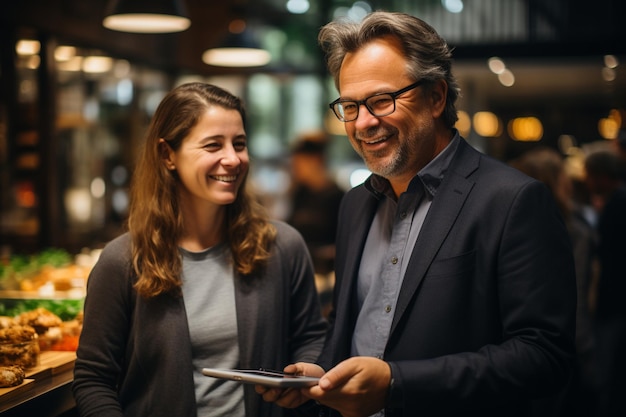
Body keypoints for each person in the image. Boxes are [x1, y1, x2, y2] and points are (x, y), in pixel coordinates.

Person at [258, 11, 576, 417]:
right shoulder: (356, 204)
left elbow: (545, 357)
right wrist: (321, 372)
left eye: (381, 101)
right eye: (351, 106)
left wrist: (396, 385)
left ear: (436, 97)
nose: (364, 123)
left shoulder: (513, 200)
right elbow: (349, 322)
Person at [72, 82, 327, 417]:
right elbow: (93, 379)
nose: (233, 159)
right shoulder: (123, 261)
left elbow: (311, 335)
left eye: (239, 144)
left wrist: (308, 369)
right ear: (167, 155)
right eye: (213, 145)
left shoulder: (283, 247)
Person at [511, 147, 598, 416]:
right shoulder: (574, 231)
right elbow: (577, 297)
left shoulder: (510, 225)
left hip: (513, 350)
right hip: (562, 347)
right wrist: (584, 349)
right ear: (556, 181)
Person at [584, 150, 626, 417]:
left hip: (613, 300)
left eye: (590, 176)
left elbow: (609, 258)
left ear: (601, 176)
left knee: (606, 371)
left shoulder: (618, 204)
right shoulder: (615, 201)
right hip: (615, 298)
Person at [287, 131, 344, 276]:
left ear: (316, 161)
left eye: (299, 164)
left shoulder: (337, 196)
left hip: (327, 274)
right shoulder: (300, 193)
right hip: (299, 267)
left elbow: (344, 242)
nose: (295, 169)